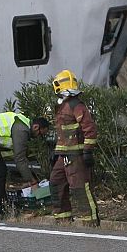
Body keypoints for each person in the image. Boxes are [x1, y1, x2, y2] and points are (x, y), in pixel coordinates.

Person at [50, 69, 100, 226]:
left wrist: (87, 151)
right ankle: (63, 220)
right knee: (56, 183)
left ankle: (90, 222)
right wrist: (57, 152)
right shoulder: (63, 106)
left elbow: (89, 129)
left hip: (76, 155)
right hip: (64, 155)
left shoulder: (76, 105)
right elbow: (63, 133)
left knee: (79, 188)